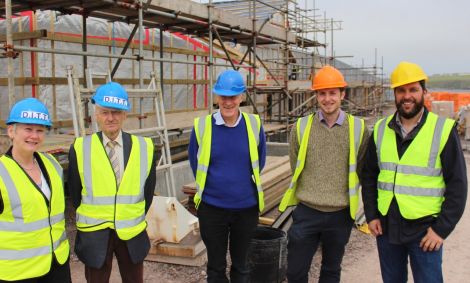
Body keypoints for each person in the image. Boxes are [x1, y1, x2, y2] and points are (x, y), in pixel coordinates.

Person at [361, 61, 467, 283]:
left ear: (424, 92)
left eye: (413, 90)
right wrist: (371, 215)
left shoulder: (443, 130)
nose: (407, 96)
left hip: (425, 230)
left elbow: (458, 185)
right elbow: (369, 175)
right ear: (395, 94)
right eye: (401, 90)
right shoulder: (380, 129)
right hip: (387, 227)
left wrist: (441, 230)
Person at [279, 65, 369, 283]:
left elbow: (363, 170)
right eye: (322, 93)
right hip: (307, 212)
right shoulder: (301, 127)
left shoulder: (358, 128)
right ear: (316, 96)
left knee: (331, 270)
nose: (327, 99)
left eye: (332, 93)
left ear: (342, 94)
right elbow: (295, 166)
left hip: (340, 214)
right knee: (295, 271)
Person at [67, 82, 157, 283]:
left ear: (125, 115)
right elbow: (74, 192)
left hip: (131, 232)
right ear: (96, 114)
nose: (110, 118)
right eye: (105, 112)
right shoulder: (80, 148)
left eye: (116, 112)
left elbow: (148, 192)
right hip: (95, 234)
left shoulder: (145, 147)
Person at [188, 69, 266, 283]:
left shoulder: (254, 125)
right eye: (223, 96)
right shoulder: (202, 126)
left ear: (241, 97)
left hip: (246, 209)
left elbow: (260, 160)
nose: (228, 102)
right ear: (216, 97)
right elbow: (196, 163)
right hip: (212, 209)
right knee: (215, 267)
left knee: (241, 267)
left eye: (232, 97)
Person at [0, 98, 70, 282]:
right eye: (28, 129)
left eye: (40, 130)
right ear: (11, 131)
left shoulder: (52, 164)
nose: (34, 135)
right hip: (18, 272)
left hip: (57, 264)